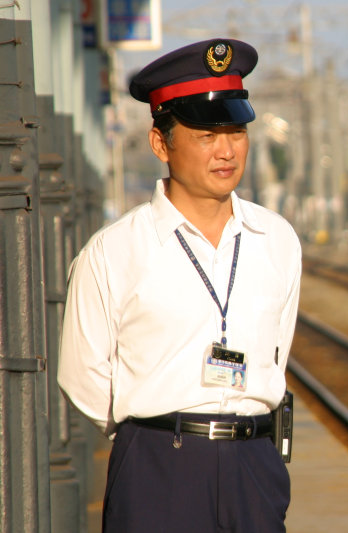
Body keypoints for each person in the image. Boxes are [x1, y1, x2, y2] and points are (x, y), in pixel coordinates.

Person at [57, 38, 302, 533]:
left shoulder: (277, 239)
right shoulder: (114, 250)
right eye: (207, 135)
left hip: (254, 467)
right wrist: (154, 428)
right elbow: (82, 376)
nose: (227, 151)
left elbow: (276, 352)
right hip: (157, 470)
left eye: (236, 131)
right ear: (160, 143)